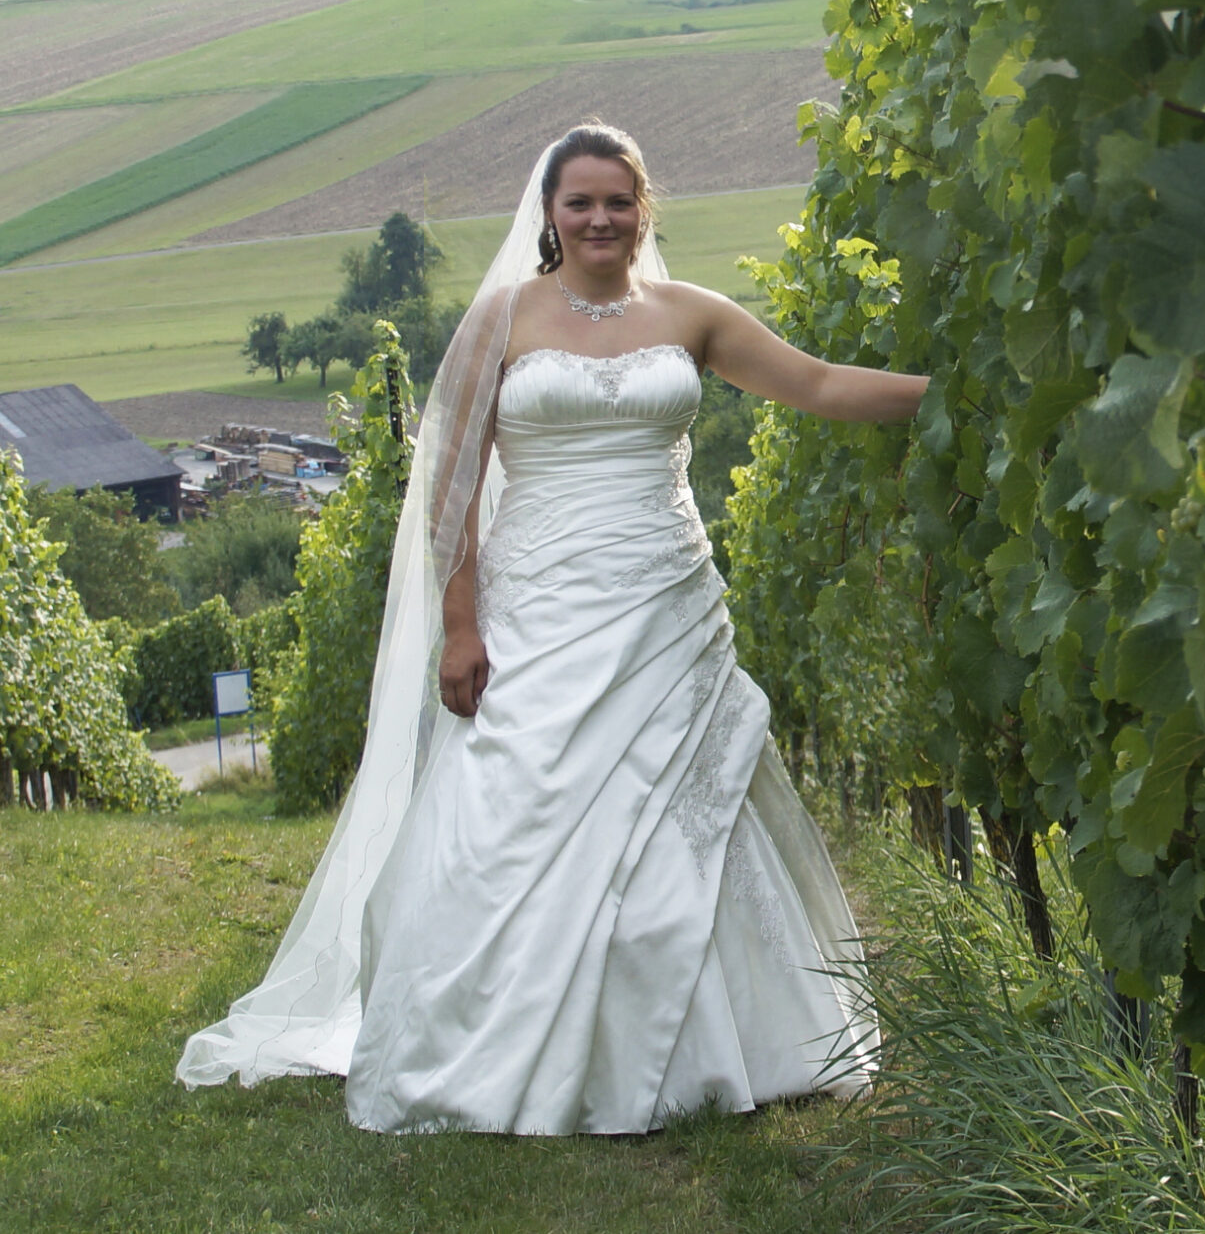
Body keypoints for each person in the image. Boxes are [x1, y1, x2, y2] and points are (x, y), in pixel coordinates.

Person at [178, 124, 927, 1134]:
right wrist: (459, 624)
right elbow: (449, 488)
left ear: (643, 206)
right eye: (580, 201)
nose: (600, 218)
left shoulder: (692, 313)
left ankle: (728, 1041)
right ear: (550, 213)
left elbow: (823, 385)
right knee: (516, 813)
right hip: (536, 611)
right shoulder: (502, 319)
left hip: (666, 605)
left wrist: (957, 397)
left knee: (683, 810)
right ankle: (499, 1043)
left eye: (617, 199)